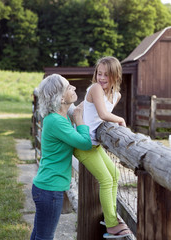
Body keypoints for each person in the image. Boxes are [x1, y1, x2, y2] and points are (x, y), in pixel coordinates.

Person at [70, 56, 132, 238]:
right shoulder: (95, 88)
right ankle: (112, 225)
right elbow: (103, 114)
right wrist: (120, 119)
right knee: (105, 179)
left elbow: (90, 112)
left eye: (107, 74)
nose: (102, 78)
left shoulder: (116, 95)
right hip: (83, 144)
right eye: (99, 73)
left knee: (115, 173)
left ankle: (109, 215)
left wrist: (80, 111)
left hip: (94, 145)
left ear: (116, 76)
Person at [30, 74, 92, 240]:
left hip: (45, 187)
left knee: (38, 234)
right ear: (60, 97)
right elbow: (86, 143)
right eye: (68, 87)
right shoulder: (56, 121)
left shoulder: (59, 118)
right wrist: (79, 119)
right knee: (44, 237)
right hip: (50, 191)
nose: (73, 88)